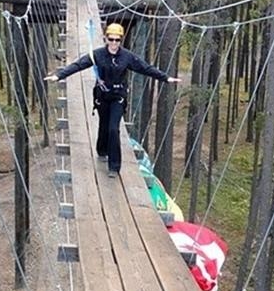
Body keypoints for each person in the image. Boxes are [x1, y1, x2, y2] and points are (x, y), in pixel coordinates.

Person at [45, 23, 181, 177]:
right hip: (102, 97)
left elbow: (146, 68)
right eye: (111, 39)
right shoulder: (97, 55)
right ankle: (102, 150)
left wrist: (166, 78)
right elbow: (78, 65)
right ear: (106, 39)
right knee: (104, 125)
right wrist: (59, 75)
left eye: (118, 40)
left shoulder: (127, 57)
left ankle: (114, 167)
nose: (114, 43)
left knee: (113, 129)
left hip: (118, 97)